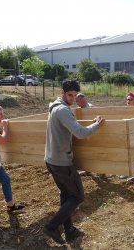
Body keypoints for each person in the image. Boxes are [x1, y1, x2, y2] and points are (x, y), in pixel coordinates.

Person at [43, 80, 105, 244]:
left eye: (75, 95)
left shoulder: (54, 107)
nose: (73, 98)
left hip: (51, 159)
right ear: (61, 92)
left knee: (66, 194)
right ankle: (51, 226)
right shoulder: (63, 110)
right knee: (77, 196)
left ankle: (69, 230)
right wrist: (97, 124)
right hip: (62, 162)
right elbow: (80, 133)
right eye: (70, 95)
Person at [118, 92, 134, 183]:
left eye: (130, 99)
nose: (128, 101)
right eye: (127, 99)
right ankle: (127, 172)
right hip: (125, 135)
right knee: (124, 155)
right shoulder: (124, 110)